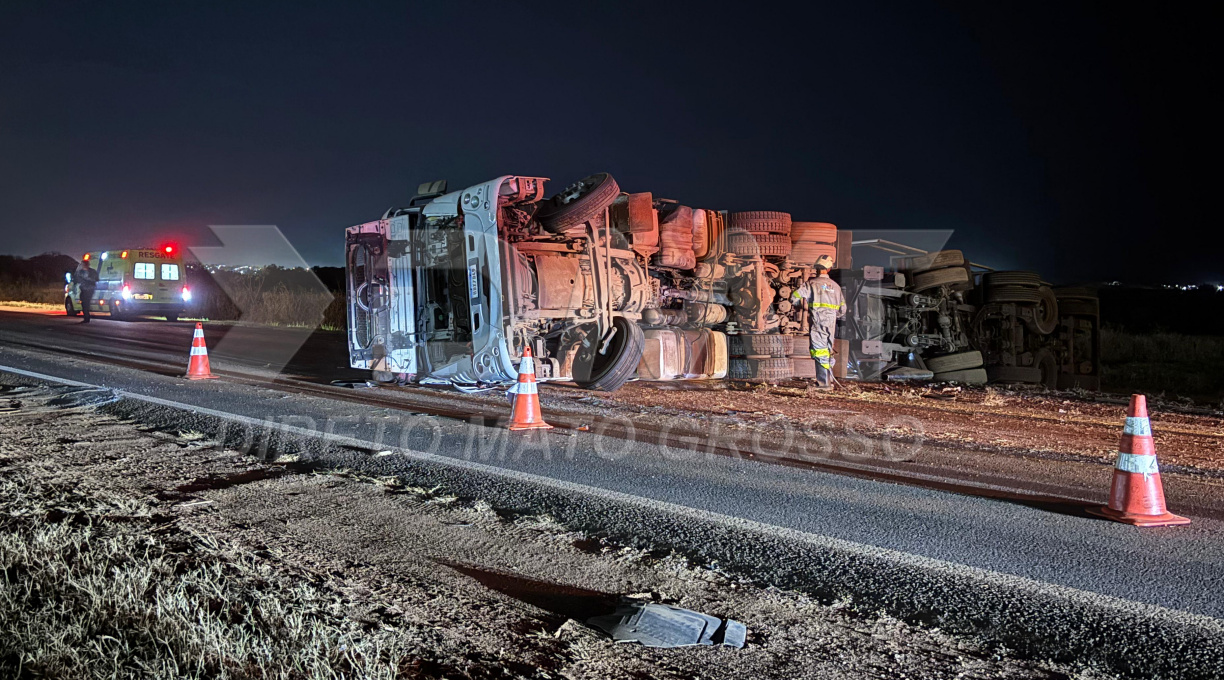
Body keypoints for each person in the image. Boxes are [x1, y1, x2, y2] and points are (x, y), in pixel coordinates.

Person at [790, 254, 844, 388]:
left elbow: (793, 297)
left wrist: (799, 304)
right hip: (831, 322)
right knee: (827, 349)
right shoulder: (836, 287)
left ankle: (823, 384)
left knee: (819, 349)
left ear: (817, 269)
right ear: (829, 269)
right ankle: (828, 381)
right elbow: (843, 309)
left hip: (818, 319)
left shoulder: (811, 284)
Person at [74, 259, 98, 323]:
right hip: (83, 289)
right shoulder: (80, 272)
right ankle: (86, 316)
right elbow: (76, 279)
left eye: (84, 264)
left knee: (86, 303)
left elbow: (96, 279)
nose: (83, 265)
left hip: (90, 289)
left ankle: (87, 317)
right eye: (82, 264)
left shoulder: (92, 271)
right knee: (84, 303)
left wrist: (88, 280)